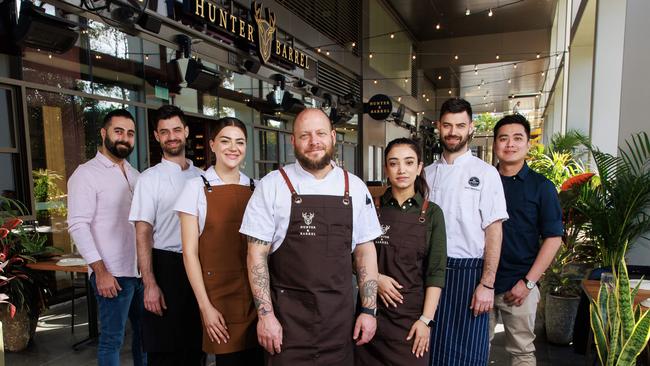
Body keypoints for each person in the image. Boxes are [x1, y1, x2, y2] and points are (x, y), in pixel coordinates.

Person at [240, 108, 382, 365]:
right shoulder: (272, 186)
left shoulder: (355, 188)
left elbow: (365, 252)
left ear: (333, 136)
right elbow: (256, 256)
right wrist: (265, 316)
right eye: (305, 135)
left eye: (320, 133)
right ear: (293, 141)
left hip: (340, 324)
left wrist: (369, 310)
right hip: (286, 326)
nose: (314, 141)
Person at [425, 98, 509, 366]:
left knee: (468, 356)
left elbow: (494, 231)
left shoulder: (485, 174)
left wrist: (487, 284)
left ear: (471, 128)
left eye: (460, 125)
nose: (453, 131)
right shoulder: (425, 174)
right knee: (428, 350)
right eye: (447, 125)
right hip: (428, 273)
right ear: (439, 126)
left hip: (468, 276)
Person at [174, 117, 263, 365]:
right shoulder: (195, 188)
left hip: (256, 296)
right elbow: (189, 253)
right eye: (225, 141)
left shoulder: (257, 187)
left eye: (240, 142)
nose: (233, 148)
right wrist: (205, 308)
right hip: (219, 299)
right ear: (212, 145)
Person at [355, 138, 447, 366]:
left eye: (409, 162)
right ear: (386, 169)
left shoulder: (432, 213)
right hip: (371, 315)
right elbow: (351, 257)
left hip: (411, 320)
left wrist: (426, 321)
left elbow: (435, 273)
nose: (401, 170)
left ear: (419, 167)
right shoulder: (371, 207)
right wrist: (375, 278)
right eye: (394, 163)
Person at [67, 109, 145, 366]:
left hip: (139, 273)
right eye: (118, 131)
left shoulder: (136, 175)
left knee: (144, 338)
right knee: (112, 340)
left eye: (130, 133)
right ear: (103, 133)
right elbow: (78, 225)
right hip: (112, 274)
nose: (125, 138)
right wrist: (99, 271)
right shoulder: (86, 174)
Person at [128, 105, 204, 365]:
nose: (171, 136)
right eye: (164, 132)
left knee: (196, 347)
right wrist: (149, 284)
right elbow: (143, 232)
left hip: (199, 267)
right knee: (165, 351)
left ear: (186, 131)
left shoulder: (203, 177)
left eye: (176, 129)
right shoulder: (149, 179)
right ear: (156, 137)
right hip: (165, 267)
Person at [489, 115, 563, 366]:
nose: (510, 144)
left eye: (517, 138)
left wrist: (529, 283)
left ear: (528, 145)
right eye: (503, 138)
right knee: (474, 348)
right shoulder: (484, 181)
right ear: (495, 144)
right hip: (481, 283)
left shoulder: (542, 187)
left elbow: (554, 239)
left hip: (519, 284)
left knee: (522, 353)